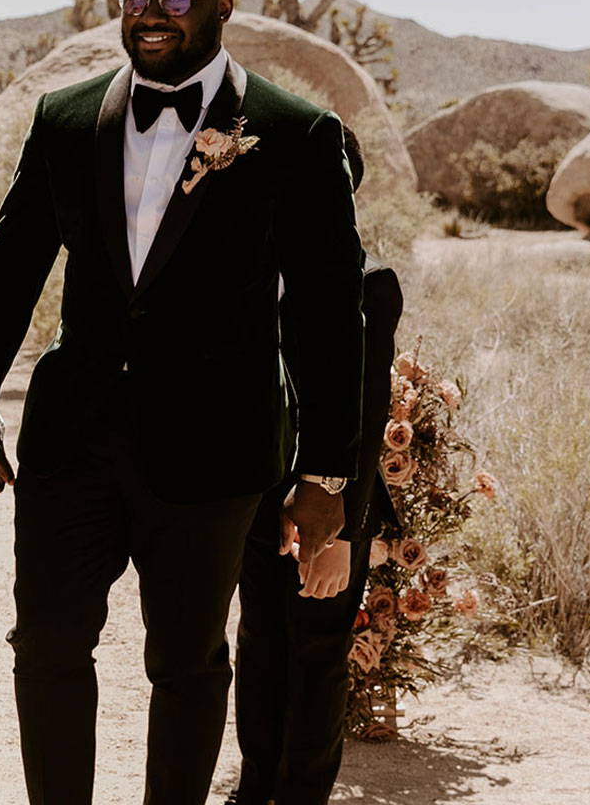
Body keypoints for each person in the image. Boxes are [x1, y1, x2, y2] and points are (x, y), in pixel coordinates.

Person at [0, 0, 365, 805]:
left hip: (212, 452)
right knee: (46, 647)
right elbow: (12, 265)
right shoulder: (63, 118)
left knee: (188, 665)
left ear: (223, 6)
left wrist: (327, 473)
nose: (150, 11)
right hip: (71, 440)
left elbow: (330, 312)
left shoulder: (293, 132)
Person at [227, 127, 404, 805]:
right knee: (260, 648)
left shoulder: (370, 287)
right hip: (258, 504)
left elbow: (367, 411)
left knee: (318, 658)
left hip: (337, 509)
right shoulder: (249, 279)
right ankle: (254, 791)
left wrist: (352, 534)